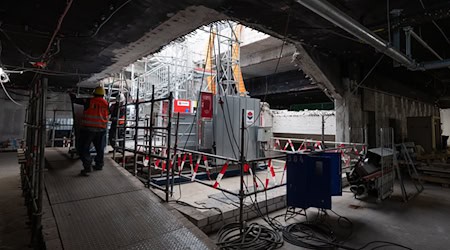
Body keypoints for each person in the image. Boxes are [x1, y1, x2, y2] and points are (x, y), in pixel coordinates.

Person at [70, 86, 109, 176]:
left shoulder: (89, 101)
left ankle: (87, 167)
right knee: (100, 149)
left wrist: (71, 94)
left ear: (94, 94)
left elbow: (76, 100)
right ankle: (99, 165)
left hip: (88, 129)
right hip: (101, 130)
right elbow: (108, 114)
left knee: (83, 148)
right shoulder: (106, 103)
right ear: (103, 95)